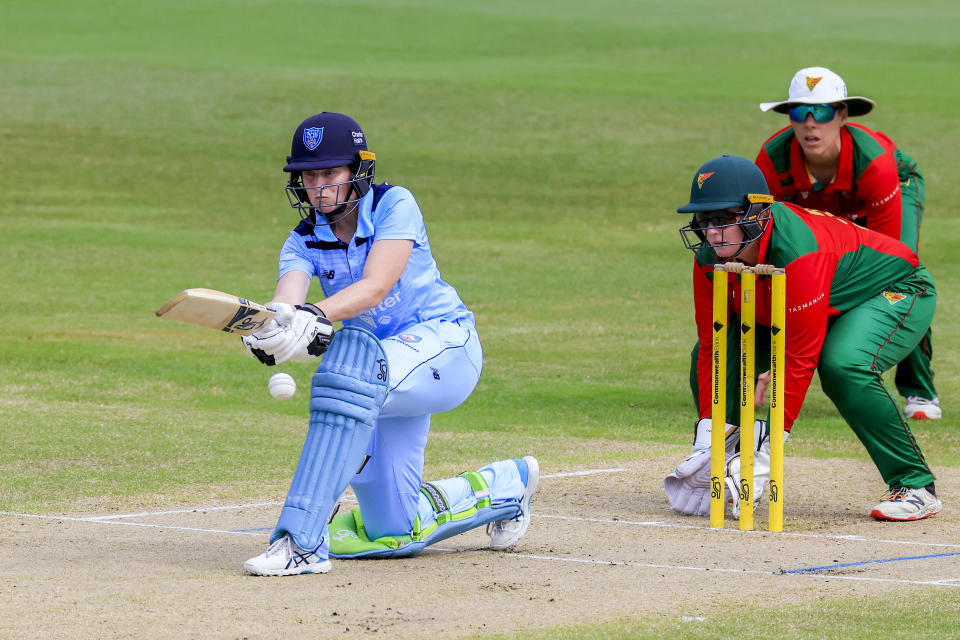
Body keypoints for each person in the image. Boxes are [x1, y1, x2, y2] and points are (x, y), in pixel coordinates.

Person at [239, 112, 539, 576]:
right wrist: (271, 329)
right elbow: (289, 302)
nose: (318, 187)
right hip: (379, 379)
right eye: (309, 175)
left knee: (344, 374)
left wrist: (312, 316)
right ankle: (503, 487)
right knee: (392, 529)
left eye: (330, 174)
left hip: (446, 345)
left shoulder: (394, 204)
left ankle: (301, 542)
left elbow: (376, 286)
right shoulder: (301, 242)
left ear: (358, 170)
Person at [665, 154, 941, 522]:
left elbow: (796, 357)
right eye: (703, 220)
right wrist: (708, 438)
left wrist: (766, 453)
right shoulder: (708, 256)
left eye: (723, 218)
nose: (711, 232)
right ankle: (723, 464)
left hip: (896, 287)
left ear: (758, 213)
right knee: (713, 349)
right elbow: (715, 344)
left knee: (843, 364)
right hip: (817, 300)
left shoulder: (799, 252)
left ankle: (915, 485)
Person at [754, 66, 939, 420]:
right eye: (799, 112)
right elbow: (769, 246)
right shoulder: (771, 160)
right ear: (788, 117)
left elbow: (890, 265)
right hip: (819, 210)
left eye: (822, 111)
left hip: (890, 189)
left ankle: (920, 391)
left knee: (904, 279)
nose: (811, 123)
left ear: (841, 115)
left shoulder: (876, 163)